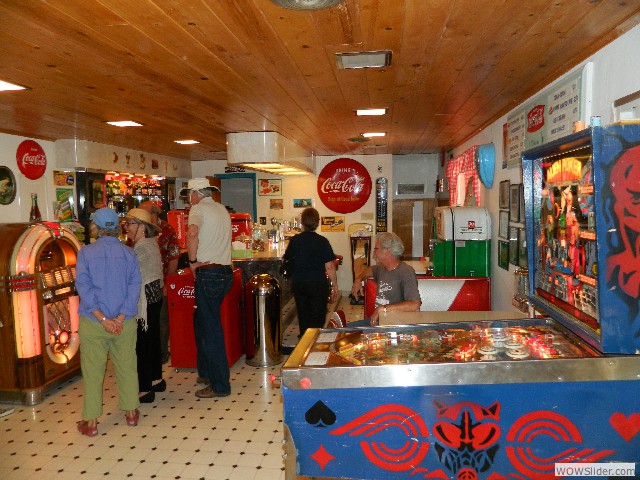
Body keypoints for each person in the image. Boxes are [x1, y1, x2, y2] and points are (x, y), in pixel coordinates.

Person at [75, 207, 141, 436]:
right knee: (127, 366)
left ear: (95, 228)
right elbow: (134, 288)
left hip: (93, 322)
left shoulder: (85, 253)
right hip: (124, 322)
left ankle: (91, 422)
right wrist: (121, 317)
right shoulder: (129, 253)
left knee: (93, 371)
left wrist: (103, 319)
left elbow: (83, 287)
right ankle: (131, 412)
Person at [181, 178, 234, 398]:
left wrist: (192, 261)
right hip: (224, 273)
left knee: (211, 330)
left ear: (195, 193)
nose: (188, 200)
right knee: (202, 322)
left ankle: (220, 385)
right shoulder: (221, 209)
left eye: (188, 195)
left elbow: (192, 233)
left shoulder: (198, 209)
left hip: (208, 273)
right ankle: (205, 371)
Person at [123, 208, 165, 403]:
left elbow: (132, 276)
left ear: (141, 227)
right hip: (154, 297)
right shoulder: (150, 244)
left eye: (130, 224)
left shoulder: (142, 248)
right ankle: (156, 379)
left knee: (142, 344)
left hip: (144, 301)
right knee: (152, 340)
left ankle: (144, 388)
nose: (127, 228)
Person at [283, 207, 338, 337]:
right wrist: (334, 285)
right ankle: (315, 339)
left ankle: (304, 339)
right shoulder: (322, 241)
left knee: (303, 314)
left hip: (299, 283)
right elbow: (329, 266)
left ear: (302, 222)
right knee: (318, 314)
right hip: (317, 283)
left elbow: (287, 259)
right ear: (317, 222)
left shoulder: (295, 240)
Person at [139, 200, 180, 364]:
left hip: (160, 281)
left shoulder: (168, 230)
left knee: (161, 319)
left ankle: (162, 352)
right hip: (142, 283)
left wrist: (167, 283)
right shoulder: (139, 231)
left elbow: (173, 258)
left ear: (154, 214)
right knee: (144, 319)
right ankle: (147, 351)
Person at [350, 232, 421, 326]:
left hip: (395, 325)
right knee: (343, 331)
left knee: (347, 333)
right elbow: (370, 269)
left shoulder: (406, 272)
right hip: (379, 322)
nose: (373, 253)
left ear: (387, 251)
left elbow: (415, 305)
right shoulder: (382, 268)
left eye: (376, 249)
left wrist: (383, 309)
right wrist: (358, 280)